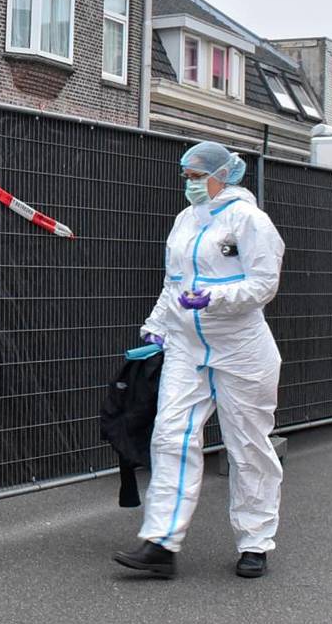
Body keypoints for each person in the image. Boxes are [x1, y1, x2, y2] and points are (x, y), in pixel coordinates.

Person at [112, 141, 285, 579]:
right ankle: (161, 543)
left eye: (196, 176)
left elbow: (264, 284)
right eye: (186, 176)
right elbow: (174, 283)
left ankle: (255, 542)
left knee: (248, 445)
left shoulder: (249, 220)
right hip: (188, 347)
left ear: (222, 175)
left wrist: (214, 297)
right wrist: (157, 325)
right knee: (170, 437)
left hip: (241, 348)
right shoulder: (185, 220)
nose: (189, 184)